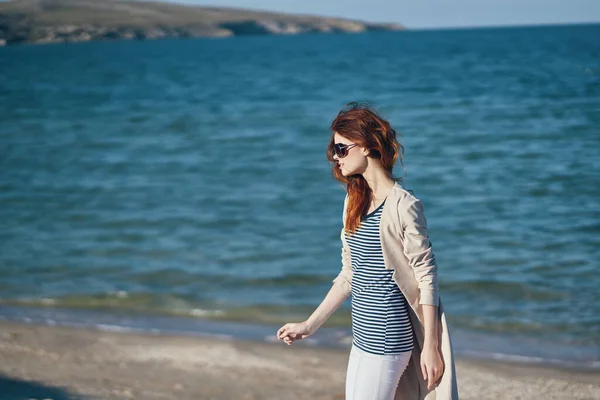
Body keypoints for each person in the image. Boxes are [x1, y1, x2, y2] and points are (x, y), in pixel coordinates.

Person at [276, 102, 458, 400]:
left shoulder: (404, 206)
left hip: (388, 339)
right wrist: (310, 324)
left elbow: (427, 278)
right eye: (333, 151)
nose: (336, 158)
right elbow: (349, 274)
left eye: (341, 149)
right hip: (362, 337)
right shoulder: (354, 201)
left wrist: (432, 348)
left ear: (366, 146)